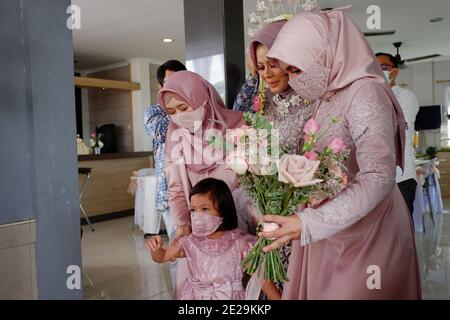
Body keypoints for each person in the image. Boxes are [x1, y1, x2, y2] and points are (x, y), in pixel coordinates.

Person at [259, 7, 421, 299]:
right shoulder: (327, 95)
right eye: (289, 72)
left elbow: (377, 176)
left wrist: (311, 223)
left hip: (367, 232)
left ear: (324, 53)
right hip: (327, 230)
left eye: (297, 69)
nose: (294, 80)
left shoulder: (364, 93)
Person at [146, 178, 281, 300]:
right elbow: (162, 256)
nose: (197, 215)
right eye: (193, 210)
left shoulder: (239, 242)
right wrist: (155, 249)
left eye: (204, 209)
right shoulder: (189, 242)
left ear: (223, 210)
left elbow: (260, 275)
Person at [143, 60, 187, 286]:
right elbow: (162, 132)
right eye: (171, 83)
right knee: (176, 251)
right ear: (161, 87)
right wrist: (180, 107)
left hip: (196, 191)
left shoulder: (194, 107)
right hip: (170, 194)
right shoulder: (153, 112)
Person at [376, 52, 420, 215]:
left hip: (401, 176)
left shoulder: (406, 96)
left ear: (395, 71)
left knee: (401, 233)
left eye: (383, 67)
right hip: (376, 179)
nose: (379, 71)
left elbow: (398, 126)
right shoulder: (370, 97)